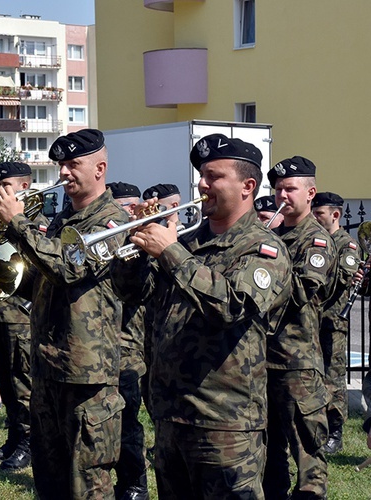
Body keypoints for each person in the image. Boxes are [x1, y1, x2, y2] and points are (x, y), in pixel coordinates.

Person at [111, 134, 291, 499]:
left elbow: (233, 306)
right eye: (201, 175)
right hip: (172, 416)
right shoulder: (190, 242)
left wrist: (171, 253)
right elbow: (132, 295)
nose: (202, 184)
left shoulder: (263, 247)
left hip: (224, 423)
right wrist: (137, 249)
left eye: (214, 176)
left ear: (247, 186)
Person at [0, 129, 126, 498]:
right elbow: (41, 279)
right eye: (61, 165)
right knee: (49, 479)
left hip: (86, 375)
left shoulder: (112, 221)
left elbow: (69, 268)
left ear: (100, 168)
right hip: (47, 367)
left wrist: (17, 224)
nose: (64, 173)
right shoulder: (63, 220)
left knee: (87, 483)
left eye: (73, 164)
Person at [263, 156, 337, 499]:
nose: (282, 196)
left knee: (307, 450)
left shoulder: (316, 241)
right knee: (267, 450)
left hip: (296, 362)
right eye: (278, 189)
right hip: (261, 358)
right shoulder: (272, 234)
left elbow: (304, 289)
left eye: (290, 188)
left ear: (311, 193)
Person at [0, 161, 47, 471]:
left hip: (22, 316)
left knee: (23, 384)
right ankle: (12, 438)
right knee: (6, 383)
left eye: (6, 186)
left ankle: (28, 443)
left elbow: (37, 270)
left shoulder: (35, 222)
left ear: (23, 188)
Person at [106, 181, 150, 500]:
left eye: (133, 206)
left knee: (127, 421)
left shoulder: (140, 241)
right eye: (123, 206)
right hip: (93, 346)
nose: (129, 212)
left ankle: (134, 482)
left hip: (126, 345)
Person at [312, 191, 360, 454]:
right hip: (311, 321)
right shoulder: (314, 241)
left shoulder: (346, 245)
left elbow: (339, 279)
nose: (314, 218)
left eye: (319, 214)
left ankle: (336, 430)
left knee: (333, 376)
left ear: (335, 215)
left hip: (333, 321)